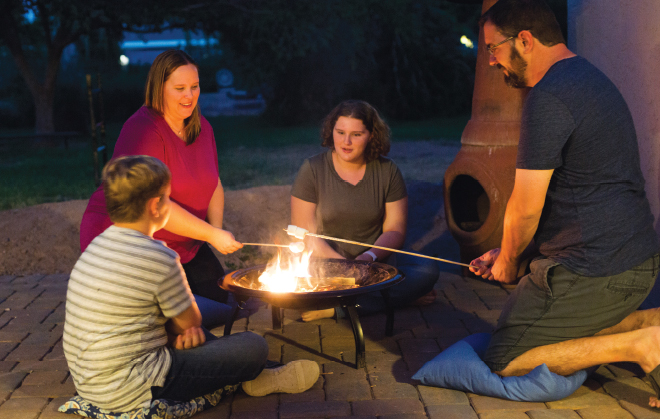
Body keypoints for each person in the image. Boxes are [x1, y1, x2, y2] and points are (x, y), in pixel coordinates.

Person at [467, 0, 660, 408]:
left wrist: (507, 264)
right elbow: (578, 194)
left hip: (596, 270)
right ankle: (647, 320)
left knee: (506, 358)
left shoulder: (550, 96)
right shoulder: (587, 78)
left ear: (524, 40)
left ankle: (642, 344)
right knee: (533, 319)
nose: (490, 62)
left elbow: (526, 206)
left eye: (492, 48)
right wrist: (509, 252)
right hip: (636, 261)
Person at [64, 156, 320, 412]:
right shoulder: (159, 256)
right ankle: (258, 375)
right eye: (168, 198)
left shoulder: (95, 247)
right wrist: (182, 331)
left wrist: (178, 331)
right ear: (156, 206)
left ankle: (252, 375)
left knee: (193, 331)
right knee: (254, 345)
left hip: (90, 383)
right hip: (134, 387)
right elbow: (191, 322)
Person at [80, 50, 241, 327]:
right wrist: (212, 233)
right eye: (179, 89)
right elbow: (156, 204)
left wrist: (214, 234)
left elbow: (214, 181)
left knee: (224, 304)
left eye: (194, 87)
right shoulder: (143, 130)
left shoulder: (203, 128)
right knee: (177, 319)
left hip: (184, 241)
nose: (189, 96)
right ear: (159, 88)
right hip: (136, 242)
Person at [291, 100, 439, 321]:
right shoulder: (312, 169)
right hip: (326, 265)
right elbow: (303, 233)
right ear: (331, 131)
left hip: (374, 264)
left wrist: (368, 257)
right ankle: (393, 298)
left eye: (356, 134)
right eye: (340, 132)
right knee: (294, 287)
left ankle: (338, 309)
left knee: (427, 271)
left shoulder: (388, 171)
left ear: (371, 135)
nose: (346, 141)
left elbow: (395, 231)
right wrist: (343, 266)